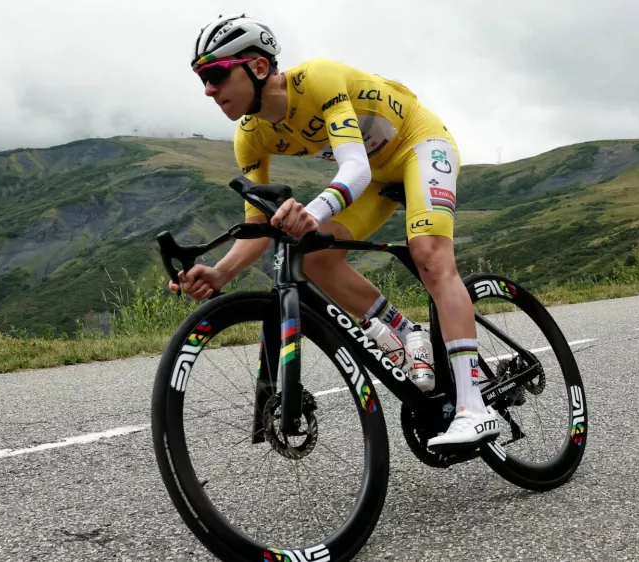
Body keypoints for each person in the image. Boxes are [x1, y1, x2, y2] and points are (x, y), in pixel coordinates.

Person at [170, 13, 500, 450]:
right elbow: (257, 225)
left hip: (418, 144)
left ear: (259, 66)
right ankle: (405, 334)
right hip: (377, 176)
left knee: (430, 256)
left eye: (215, 73)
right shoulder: (250, 137)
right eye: (201, 79)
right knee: (315, 257)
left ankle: (475, 407)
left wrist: (314, 209)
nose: (208, 89)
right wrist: (220, 273)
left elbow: (354, 167)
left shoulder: (318, 79)